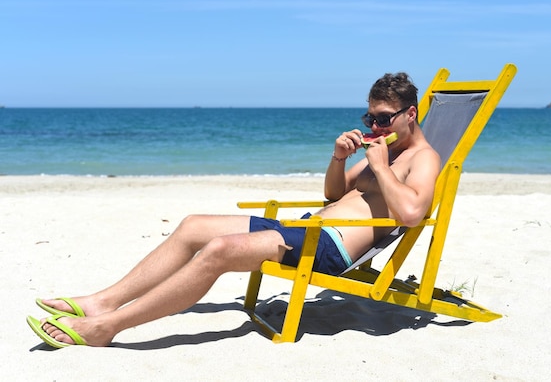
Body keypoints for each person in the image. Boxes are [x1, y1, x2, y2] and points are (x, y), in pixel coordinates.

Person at [28, 72, 441, 348]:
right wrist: (338, 159)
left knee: (220, 249)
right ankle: (102, 302)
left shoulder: (422, 159)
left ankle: (107, 327)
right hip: (304, 230)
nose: (376, 125)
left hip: (329, 248)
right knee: (192, 227)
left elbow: (410, 214)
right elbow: (334, 195)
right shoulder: (384, 151)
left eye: (384, 118)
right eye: (370, 116)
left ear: (411, 113)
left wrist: (379, 167)